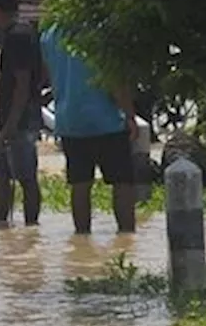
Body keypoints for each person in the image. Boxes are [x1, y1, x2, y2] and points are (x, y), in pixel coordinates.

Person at [41, 23, 138, 233]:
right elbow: (115, 80)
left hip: (70, 120)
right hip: (107, 120)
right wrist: (130, 115)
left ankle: (82, 235)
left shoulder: (49, 35)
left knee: (80, 184)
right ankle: (127, 235)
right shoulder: (101, 33)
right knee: (122, 182)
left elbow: (49, 75)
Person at [0, 0, 43, 228]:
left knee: (25, 177)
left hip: (19, 119)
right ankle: (3, 229)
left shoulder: (17, 36)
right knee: (0, 173)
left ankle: (31, 227)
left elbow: (22, 83)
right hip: (17, 117)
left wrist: (10, 125)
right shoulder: (19, 32)